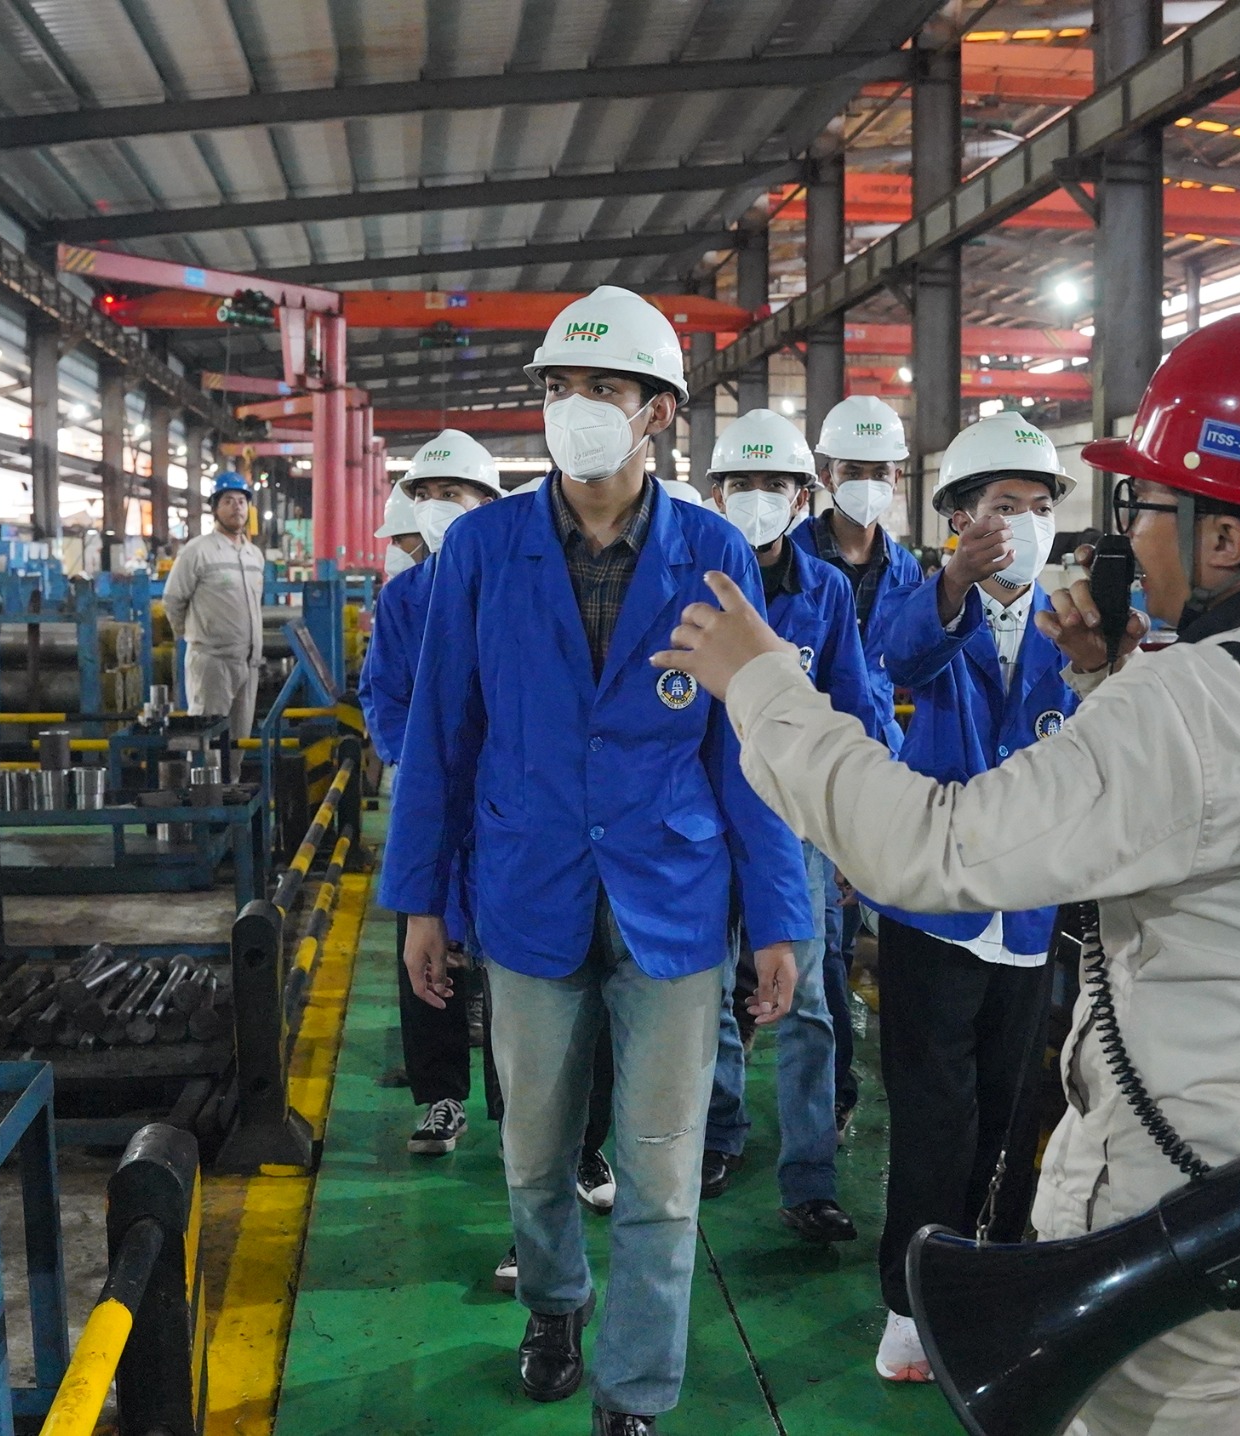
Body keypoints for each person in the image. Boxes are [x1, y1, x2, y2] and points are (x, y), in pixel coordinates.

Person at [650, 311, 1240, 1435]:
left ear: (1227, 538)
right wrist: (1109, 683)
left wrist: (761, 683)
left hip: (1194, 1218)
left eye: (1148, 507)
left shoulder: (1195, 697)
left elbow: (927, 844)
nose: (1126, 537)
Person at [383, 286, 813, 1436]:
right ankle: (555, 1301)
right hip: (527, 888)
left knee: (661, 1170)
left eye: (603, 388)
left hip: (673, 895)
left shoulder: (712, 552)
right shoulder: (484, 551)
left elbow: (749, 748)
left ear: (657, 411)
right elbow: (439, 733)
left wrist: (779, 916)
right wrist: (421, 898)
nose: (575, 407)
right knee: (533, 1151)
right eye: (560, 387)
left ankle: (635, 1386)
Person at [846, 409, 1080, 1381]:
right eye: (1002, 505)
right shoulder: (930, 605)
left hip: (1030, 906)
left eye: (1038, 505)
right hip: (936, 904)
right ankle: (909, 1302)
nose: (1023, 522)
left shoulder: (1076, 622)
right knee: (931, 1114)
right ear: (957, 518)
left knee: (1010, 1109)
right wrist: (951, 582)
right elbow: (896, 655)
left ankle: (989, 1279)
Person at [697, 409, 893, 1246]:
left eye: (774, 484)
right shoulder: (690, 584)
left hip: (797, 826)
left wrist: (855, 826)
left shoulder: (827, 593)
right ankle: (720, 1132)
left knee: (808, 1000)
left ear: (803, 496)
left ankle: (810, 1177)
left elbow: (854, 709)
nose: (757, 498)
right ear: (716, 494)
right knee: (712, 988)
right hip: (706, 820)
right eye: (741, 483)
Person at [361, 430, 501, 1158]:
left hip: (503, 798)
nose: (438, 506)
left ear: (487, 504)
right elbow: (384, 694)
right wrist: (414, 763)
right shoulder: (403, 599)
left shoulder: (513, 587)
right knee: (425, 941)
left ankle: (520, 1108)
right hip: (430, 796)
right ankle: (441, 1097)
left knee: (513, 957)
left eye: (453, 493)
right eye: (426, 495)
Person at [790, 394, 924, 1126]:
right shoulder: (788, 562)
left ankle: (855, 1089)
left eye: (881, 471)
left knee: (870, 941)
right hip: (806, 774)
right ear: (826, 474)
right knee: (818, 950)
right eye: (854, 470)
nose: (869, 484)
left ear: (898, 477)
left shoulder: (911, 574)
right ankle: (828, 1093)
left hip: (883, 771)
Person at [164, 471, 266, 741]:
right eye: (228, 501)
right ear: (215, 508)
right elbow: (173, 600)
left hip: (249, 662)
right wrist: (193, 636)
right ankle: (204, 774)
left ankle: (232, 773)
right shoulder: (197, 551)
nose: (236, 507)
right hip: (212, 663)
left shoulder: (254, 555)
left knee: (239, 740)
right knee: (206, 741)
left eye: (241, 501)